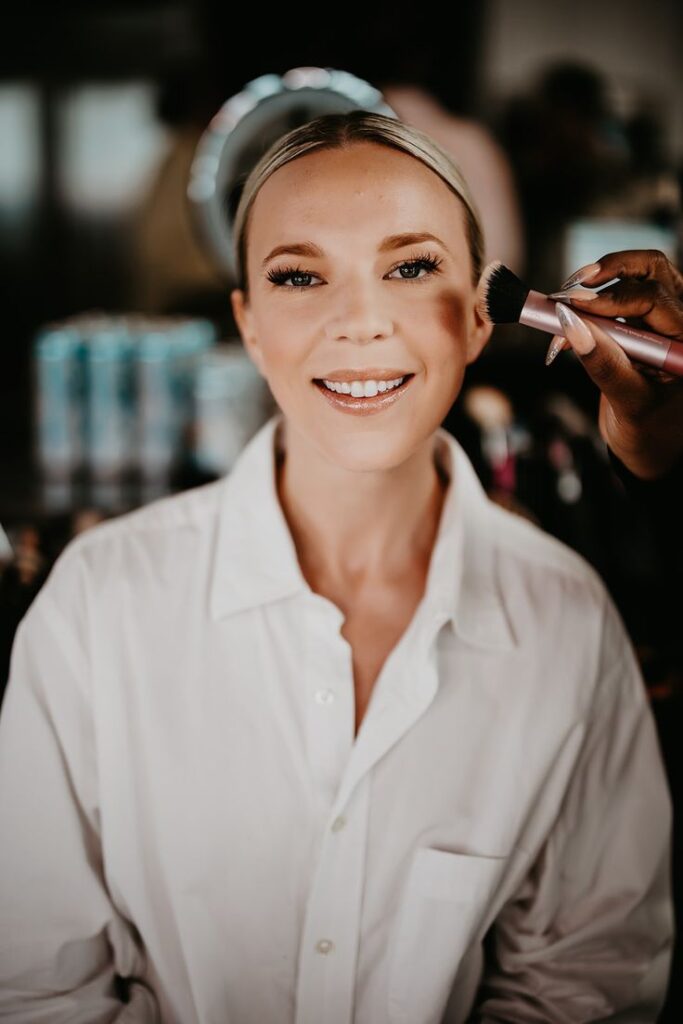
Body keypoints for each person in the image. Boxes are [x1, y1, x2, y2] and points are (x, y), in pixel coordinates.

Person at [0, 111, 672, 1022]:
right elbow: (34, 986)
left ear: (482, 316)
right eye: (299, 275)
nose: (359, 321)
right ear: (247, 322)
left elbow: (586, 981)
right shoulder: (99, 605)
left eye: (409, 267)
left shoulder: (564, 619)